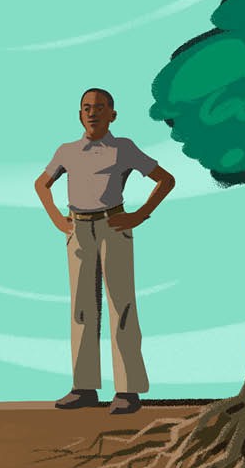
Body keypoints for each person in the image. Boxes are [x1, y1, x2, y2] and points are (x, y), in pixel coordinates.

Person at [34, 87, 175, 415]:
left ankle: (127, 391)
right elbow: (41, 184)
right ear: (79, 114)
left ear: (113, 114)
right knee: (82, 308)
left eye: (100, 107)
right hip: (79, 230)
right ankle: (83, 387)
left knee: (121, 305)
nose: (92, 112)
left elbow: (165, 180)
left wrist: (140, 215)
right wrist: (58, 219)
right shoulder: (67, 151)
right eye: (86, 107)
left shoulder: (123, 148)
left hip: (113, 227)